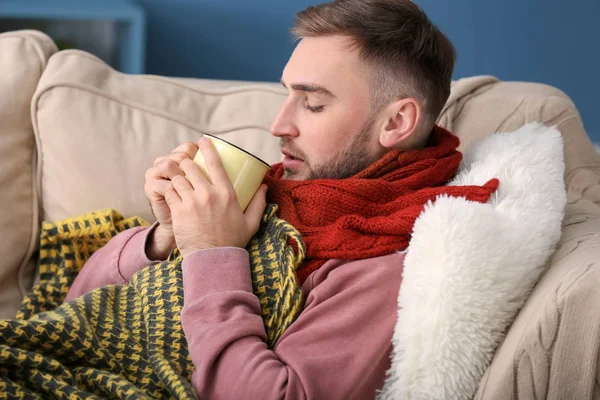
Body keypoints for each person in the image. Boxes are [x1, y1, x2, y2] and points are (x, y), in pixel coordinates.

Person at [64, 0, 484, 398]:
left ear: (396, 121)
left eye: (313, 104)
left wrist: (212, 253)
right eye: (286, 95)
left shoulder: (381, 260)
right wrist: (168, 236)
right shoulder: (282, 195)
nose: (279, 125)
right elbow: (74, 311)